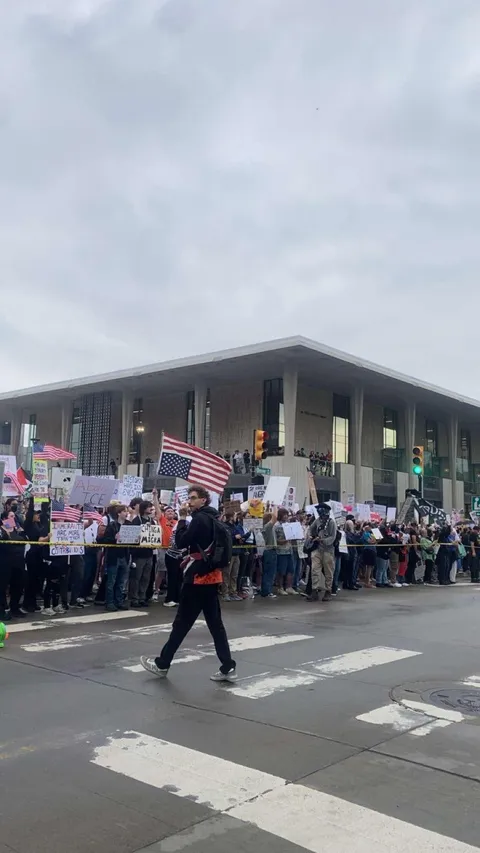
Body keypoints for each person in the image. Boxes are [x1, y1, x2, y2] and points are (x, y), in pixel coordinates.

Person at [140, 485, 237, 682]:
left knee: (182, 623)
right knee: (215, 625)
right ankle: (227, 666)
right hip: (212, 576)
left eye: (193, 498)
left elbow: (182, 542)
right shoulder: (214, 518)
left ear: (203, 500)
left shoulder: (200, 519)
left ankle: (162, 664)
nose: (190, 501)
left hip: (197, 577)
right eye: (190, 498)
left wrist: (182, 519)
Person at [97, 504, 130, 611]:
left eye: (126, 511)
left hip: (124, 556)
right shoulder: (112, 525)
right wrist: (114, 538)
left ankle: (119, 601)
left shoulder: (129, 525)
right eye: (124, 511)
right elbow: (105, 540)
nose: (126, 513)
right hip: (114, 556)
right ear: (119, 513)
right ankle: (110, 602)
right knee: (111, 580)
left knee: (121, 581)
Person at [307, 503, 337, 601]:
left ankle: (328, 591)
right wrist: (312, 536)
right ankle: (314, 590)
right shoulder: (317, 521)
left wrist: (322, 540)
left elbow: (332, 537)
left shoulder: (331, 522)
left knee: (328, 571)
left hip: (328, 550)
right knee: (315, 570)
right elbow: (310, 529)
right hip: (317, 549)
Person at [0, 510, 27, 620]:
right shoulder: (1, 531)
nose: (13, 518)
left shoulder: (17, 530)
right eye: (11, 516)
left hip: (18, 563)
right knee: (2, 588)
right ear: (4, 519)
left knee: (18, 586)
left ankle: (14, 607)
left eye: (14, 516)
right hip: (5, 563)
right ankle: (2, 610)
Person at [129, 501, 155, 607]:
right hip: (139, 553)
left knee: (146, 577)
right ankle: (134, 598)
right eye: (149, 507)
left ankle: (142, 597)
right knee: (136, 577)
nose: (151, 509)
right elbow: (133, 535)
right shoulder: (137, 520)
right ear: (144, 508)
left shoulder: (151, 521)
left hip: (149, 552)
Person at [273, 508, 297, 595]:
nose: (286, 516)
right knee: (281, 571)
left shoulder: (289, 525)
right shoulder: (276, 526)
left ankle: (289, 587)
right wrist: (285, 540)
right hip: (281, 551)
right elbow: (275, 540)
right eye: (284, 514)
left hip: (289, 550)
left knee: (290, 569)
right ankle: (280, 587)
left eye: (287, 514)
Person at [261, 511, 277, 597]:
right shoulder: (267, 526)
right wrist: (274, 509)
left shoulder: (267, 527)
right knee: (269, 572)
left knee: (269, 572)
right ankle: (267, 591)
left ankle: (266, 590)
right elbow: (275, 518)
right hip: (269, 551)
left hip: (270, 550)